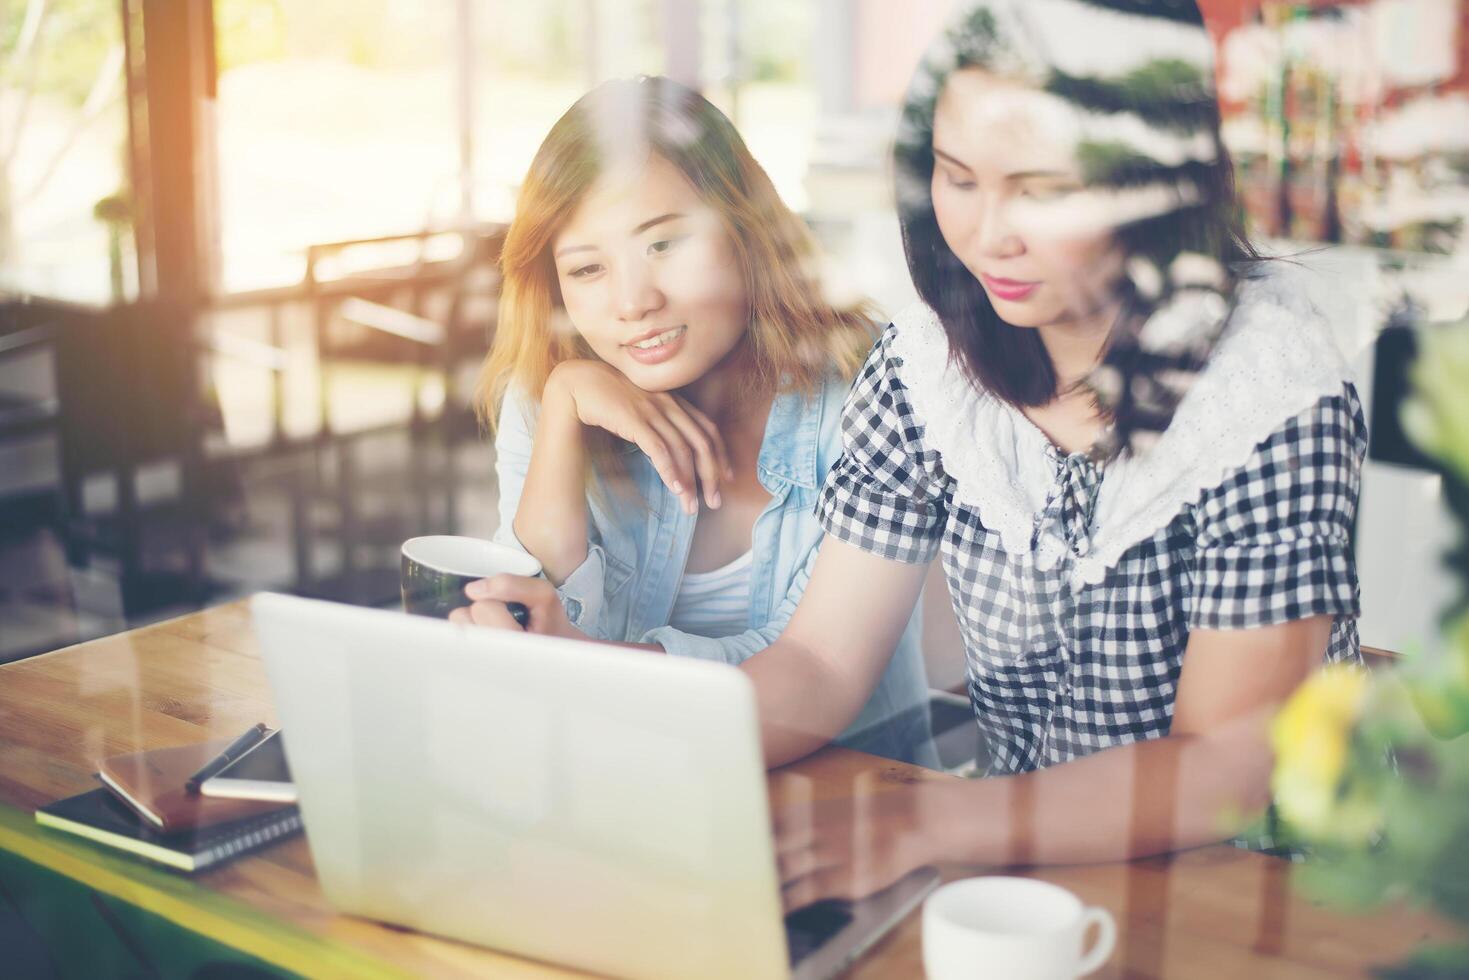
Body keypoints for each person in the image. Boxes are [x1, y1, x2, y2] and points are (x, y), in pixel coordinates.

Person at [730, 0, 1364, 908]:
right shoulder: (926, 371)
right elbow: (823, 665)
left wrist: (928, 824)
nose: (990, 235)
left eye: (1045, 190)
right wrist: (645, 752)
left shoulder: (1266, 392)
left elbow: (1227, 765)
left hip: (1262, 901)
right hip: (1031, 866)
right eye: (957, 177)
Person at [454, 76, 935, 766]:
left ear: (747, 230)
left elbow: (804, 669)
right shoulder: (549, 394)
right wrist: (561, 409)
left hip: (845, 803)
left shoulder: (868, 393)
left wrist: (584, 665)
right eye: (587, 269)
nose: (632, 302)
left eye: (662, 245)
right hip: (622, 785)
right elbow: (527, 619)